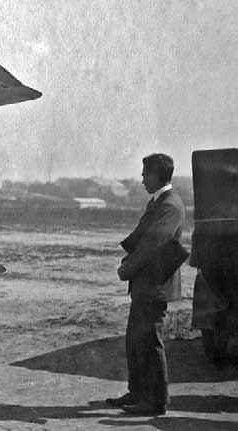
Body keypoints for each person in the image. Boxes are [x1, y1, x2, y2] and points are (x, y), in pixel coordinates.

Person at [107, 153, 184, 416]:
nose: (141, 179)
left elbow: (154, 244)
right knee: (136, 340)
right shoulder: (159, 202)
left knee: (150, 341)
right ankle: (138, 392)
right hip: (145, 284)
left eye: (144, 174)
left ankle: (156, 402)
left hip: (155, 285)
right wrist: (127, 254)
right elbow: (140, 236)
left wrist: (127, 267)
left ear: (156, 175)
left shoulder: (169, 205)